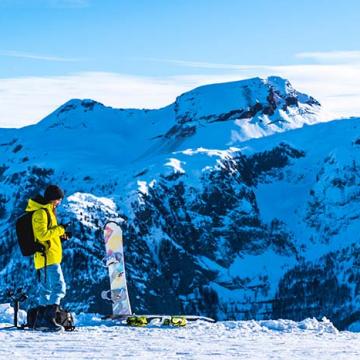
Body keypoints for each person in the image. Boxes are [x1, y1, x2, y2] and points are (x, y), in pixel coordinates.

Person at [25, 185, 71, 331]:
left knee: (46, 290)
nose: (59, 202)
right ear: (53, 198)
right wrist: (61, 229)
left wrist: (61, 236)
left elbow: (47, 235)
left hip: (47, 256)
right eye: (59, 199)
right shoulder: (41, 212)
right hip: (47, 257)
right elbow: (42, 235)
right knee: (59, 287)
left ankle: (41, 320)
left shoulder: (47, 211)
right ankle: (49, 318)